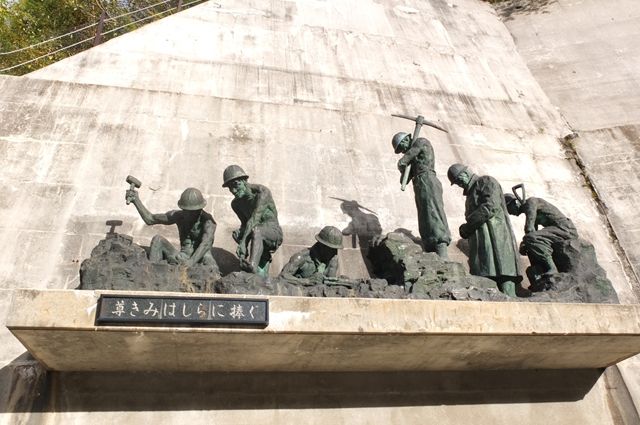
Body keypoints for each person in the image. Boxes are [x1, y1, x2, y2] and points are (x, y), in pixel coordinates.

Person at [447, 163, 521, 297]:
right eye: (456, 183)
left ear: (466, 173)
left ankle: (511, 299)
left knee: (504, 274)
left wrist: (468, 226)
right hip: (482, 243)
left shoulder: (486, 181)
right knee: (486, 277)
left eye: (459, 180)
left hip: (496, 237)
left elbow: (490, 206)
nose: (459, 184)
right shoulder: (470, 194)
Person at [392, 132, 451, 258]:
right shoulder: (412, 158)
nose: (403, 151)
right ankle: (429, 246)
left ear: (406, 139)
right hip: (419, 184)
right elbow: (404, 180)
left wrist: (403, 161)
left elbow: (408, 156)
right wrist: (403, 170)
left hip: (428, 179)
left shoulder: (420, 142)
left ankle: (441, 248)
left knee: (433, 212)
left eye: (402, 147)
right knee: (424, 216)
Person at [125, 187, 216, 267]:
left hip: (201, 258)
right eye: (186, 211)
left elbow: (206, 244)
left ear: (199, 209)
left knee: (208, 261)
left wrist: (190, 263)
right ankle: (153, 270)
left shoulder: (208, 222)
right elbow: (150, 219)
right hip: (182, 256)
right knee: (158, 240)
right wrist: (136, 200)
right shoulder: (178, 215)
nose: (188, 214)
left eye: (192, 212)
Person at [222, 165, 283, 277]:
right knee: (247, 233)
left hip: (273, 232)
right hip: (256, 233)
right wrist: (240, 235)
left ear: (244, 181)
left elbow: (255, 218)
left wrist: (243, 242)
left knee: (257, 230)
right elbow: (245, 224)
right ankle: (255, 267)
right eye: (230, 188)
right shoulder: (236, 204)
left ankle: (252, 267)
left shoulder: (262, 192)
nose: (233, 190)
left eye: (236, 185)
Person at [504, 193, 578, 282]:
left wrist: (524, 242)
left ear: (515, 203)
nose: (510, 213)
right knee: (530, 242)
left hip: (565, 229)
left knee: (531, 239)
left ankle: (552, 268)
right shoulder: (529, 209)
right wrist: (525, 245)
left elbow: (529, 228)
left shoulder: (531, 202)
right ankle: (539, 272)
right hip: (559, 229)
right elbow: (532, 232)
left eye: (508, 209)